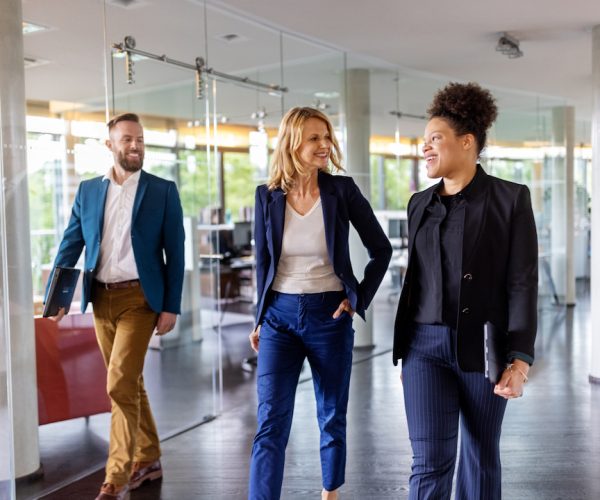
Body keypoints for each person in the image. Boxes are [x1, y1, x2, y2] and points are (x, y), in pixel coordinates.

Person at [393, 82, 538, 500]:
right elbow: (416, 279)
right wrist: (406, 349)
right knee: (428, 461)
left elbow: (522, 282)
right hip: (423, 348)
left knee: (479, 453)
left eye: (434, 139)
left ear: (467, 142)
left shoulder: (510, 200)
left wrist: (521, 358)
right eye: (424, 142)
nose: (425, 148)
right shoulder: (418, 203)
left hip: (483, 347)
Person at [248, 107, 392, 500]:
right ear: (293, 142)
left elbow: (381, 249)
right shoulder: (267, 196)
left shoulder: (341, 191)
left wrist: (357, 297)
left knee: (331, 415)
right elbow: (263, 262)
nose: (324, 145)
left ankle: (330, 493)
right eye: (314, 138)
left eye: (326, 136)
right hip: (278, 317)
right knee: (271, 421)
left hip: (329, 315)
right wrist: (258, 319)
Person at [45, 112, 185, 500]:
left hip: (141, 300)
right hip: (101, 299)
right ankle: (150, 455)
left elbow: (176, 252)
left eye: (140, 139)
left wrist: (171, 306)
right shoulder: (89, 191)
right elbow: (70, 244)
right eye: (127, 139)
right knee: (129, 383)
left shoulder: (163, 190)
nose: (135, 145)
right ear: (110, 145)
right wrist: (56, 296)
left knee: (118, 382)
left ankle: (116, 475)